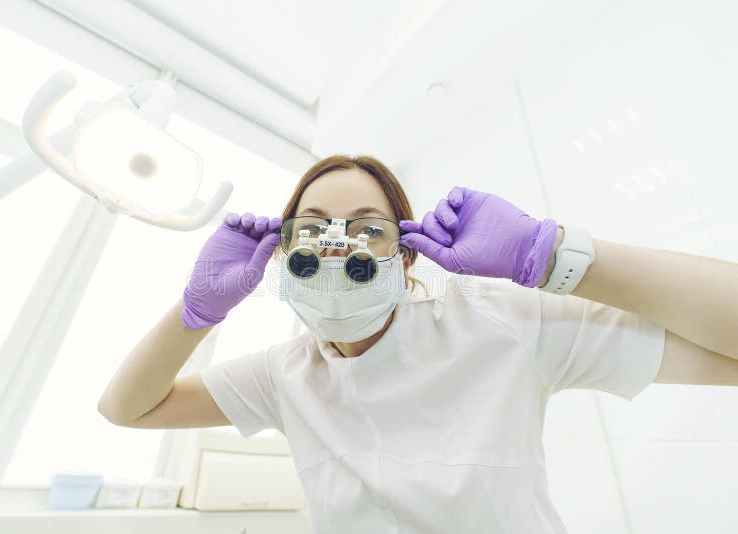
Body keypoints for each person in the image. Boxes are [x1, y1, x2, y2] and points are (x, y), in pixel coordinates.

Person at [98, 154, 737, 533]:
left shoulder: (500, 321)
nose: (339, 246)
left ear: (405, 259)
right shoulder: (284, 373)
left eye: (368, 228)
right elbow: (126, 408)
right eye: (315, 229)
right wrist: (197, 312)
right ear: (284, 255)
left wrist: (554, 256)